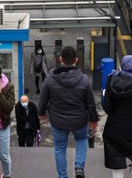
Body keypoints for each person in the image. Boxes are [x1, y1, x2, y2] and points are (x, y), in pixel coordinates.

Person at [39, 46, 99, 178]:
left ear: (60, 59)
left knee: (60, 148)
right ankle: (78, 167)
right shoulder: (83, 79)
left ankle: (62, 176)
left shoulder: (50, 78)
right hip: (79, 120)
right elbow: (90, 103)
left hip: (58, 121)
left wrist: (41, 113)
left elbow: (43, 99)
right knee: (82, 139)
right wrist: (94, 120)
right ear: (76, 60)